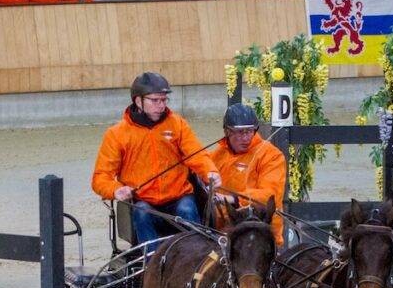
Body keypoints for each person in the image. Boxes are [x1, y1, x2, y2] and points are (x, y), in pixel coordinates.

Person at [91, 72, 221, 249]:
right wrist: (116, 190)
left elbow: (197, 155)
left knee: (187, 209)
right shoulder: (116, 134)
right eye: (155, 100)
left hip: (179, 197)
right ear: (138, 101)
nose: (161, 105)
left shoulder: (178, 124)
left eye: (164, 100)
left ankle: (198, 255)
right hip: (143, 202)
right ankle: (151, 261)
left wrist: (210, 172)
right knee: (142, 213)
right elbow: (100, 177)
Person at [210, 104, 286, 247]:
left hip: (259, 233)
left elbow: (270, 195)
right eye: (239, 132)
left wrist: (234, 199)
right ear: (227, 131)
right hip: (220, 233)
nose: (245, 138)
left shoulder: (271, 155)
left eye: (249, 131)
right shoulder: (217, 155)